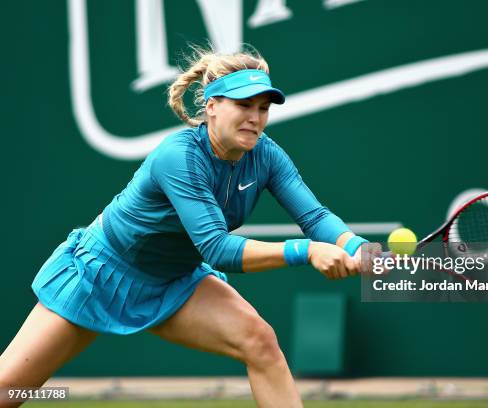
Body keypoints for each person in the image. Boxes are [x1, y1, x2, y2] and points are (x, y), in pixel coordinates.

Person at [0, 47, 375, 408]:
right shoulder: (178, 157)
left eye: (263, 109)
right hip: (100, 274)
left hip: (175, 281)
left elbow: (314, 217)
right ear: (211, 107)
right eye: (244, 105)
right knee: (9, 393)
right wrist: (308, 251)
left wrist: (357, 247)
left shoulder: (266, 154)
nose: (255, 118)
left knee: (260, 342)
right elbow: (217, 249)